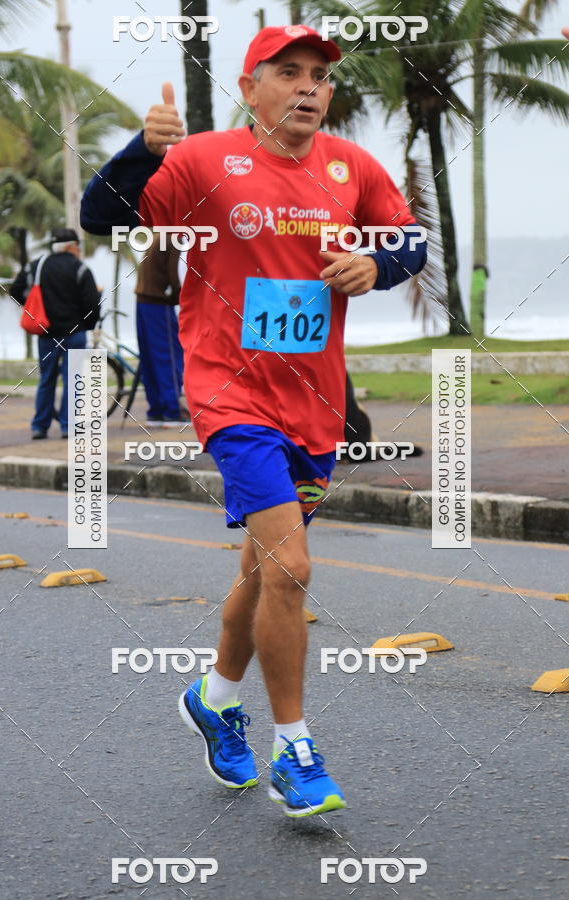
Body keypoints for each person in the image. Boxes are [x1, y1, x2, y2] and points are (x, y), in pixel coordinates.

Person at [81, 24, 427, 817]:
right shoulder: (203, 160)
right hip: (231, 397)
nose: (310, 88)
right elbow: (102, 213)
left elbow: (409, 240)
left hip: (316, 403)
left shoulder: (352, 167)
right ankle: (295, 750)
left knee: (262, 569)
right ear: (251, 85)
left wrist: (379, 264)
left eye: (321, 77)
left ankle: (214, 697)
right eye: (290, 73)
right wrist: (141, 147)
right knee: (293, 565)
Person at [10, 227, 101, 439]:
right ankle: (68, 427)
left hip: (46, 333)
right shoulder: (80, 269)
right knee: (74, 380)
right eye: (78, 247)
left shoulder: (37, 266)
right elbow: (92, 305)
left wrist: (32, 308)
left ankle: (39, 427)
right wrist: (87, 325)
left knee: (47, 379)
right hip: (74, 333)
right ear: (71, 247)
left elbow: (16, 290)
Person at [134, 234, 188, 426]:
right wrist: (181, 297)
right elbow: (175, 274)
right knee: (168, 356)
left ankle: (156, 409)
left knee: (149, 358)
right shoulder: (174, 236)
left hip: (143, 301)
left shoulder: (161, 234)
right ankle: (172, 410)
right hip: (158, 302)